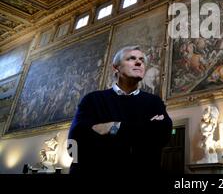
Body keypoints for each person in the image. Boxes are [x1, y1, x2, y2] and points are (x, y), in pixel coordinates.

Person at [68, 45, 172, 174]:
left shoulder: (154, 102)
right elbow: (74, 141)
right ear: (116, 67)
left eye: (142, 60)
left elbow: (163, 134)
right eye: (131, 58)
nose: (139, 62)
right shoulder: (92, 99)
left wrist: (114, 127)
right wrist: (142, 131)